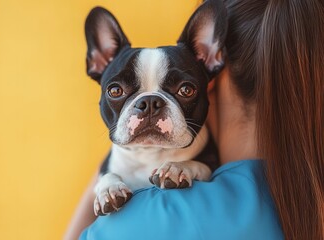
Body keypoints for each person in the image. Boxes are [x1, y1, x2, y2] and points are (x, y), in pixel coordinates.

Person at [64, 0, 324, 239]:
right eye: (118, 92)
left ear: (210, 78)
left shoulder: (133, 224)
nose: (149, 109)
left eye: (184, 90)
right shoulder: (307, 193)